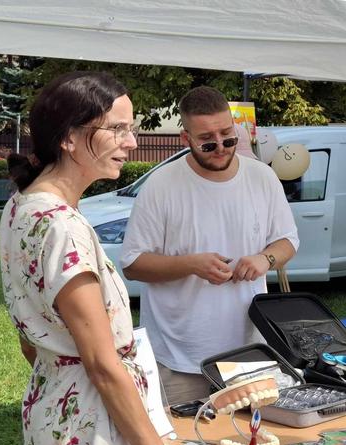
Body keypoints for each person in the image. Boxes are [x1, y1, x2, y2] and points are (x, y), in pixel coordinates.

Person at [0, 71, 201, 445]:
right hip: (93, 429)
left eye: (132, 129)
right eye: (118, 129)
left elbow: (30, 339)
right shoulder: (61, 227)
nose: (132, 143)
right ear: (69, 138)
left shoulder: (22, 204)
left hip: (57, 407)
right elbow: (103, 366)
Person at [120, 86, 298, 405]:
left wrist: (264, 258)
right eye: (208, 141)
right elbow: (133, 264)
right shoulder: (162, 186)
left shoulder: (262, 178)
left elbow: (288, 241)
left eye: (228, 136)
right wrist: (191, 265)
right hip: (179, 358)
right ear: (185, 139)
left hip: (249, 352)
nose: (220, 147)